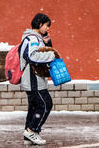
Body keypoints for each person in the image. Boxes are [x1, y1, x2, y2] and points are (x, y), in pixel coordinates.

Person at [19, 13, 60, 146]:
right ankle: (32, 130)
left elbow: (38, 52)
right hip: (33, 79)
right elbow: (32, 56)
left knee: (34, 107)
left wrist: (48, 44)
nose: (48, 29)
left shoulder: (35, 38)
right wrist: (51, 55)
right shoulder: (32, 39)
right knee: (45, 104)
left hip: (33, 79)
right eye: (47, 26)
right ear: (40, 24)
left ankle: (29, 134)